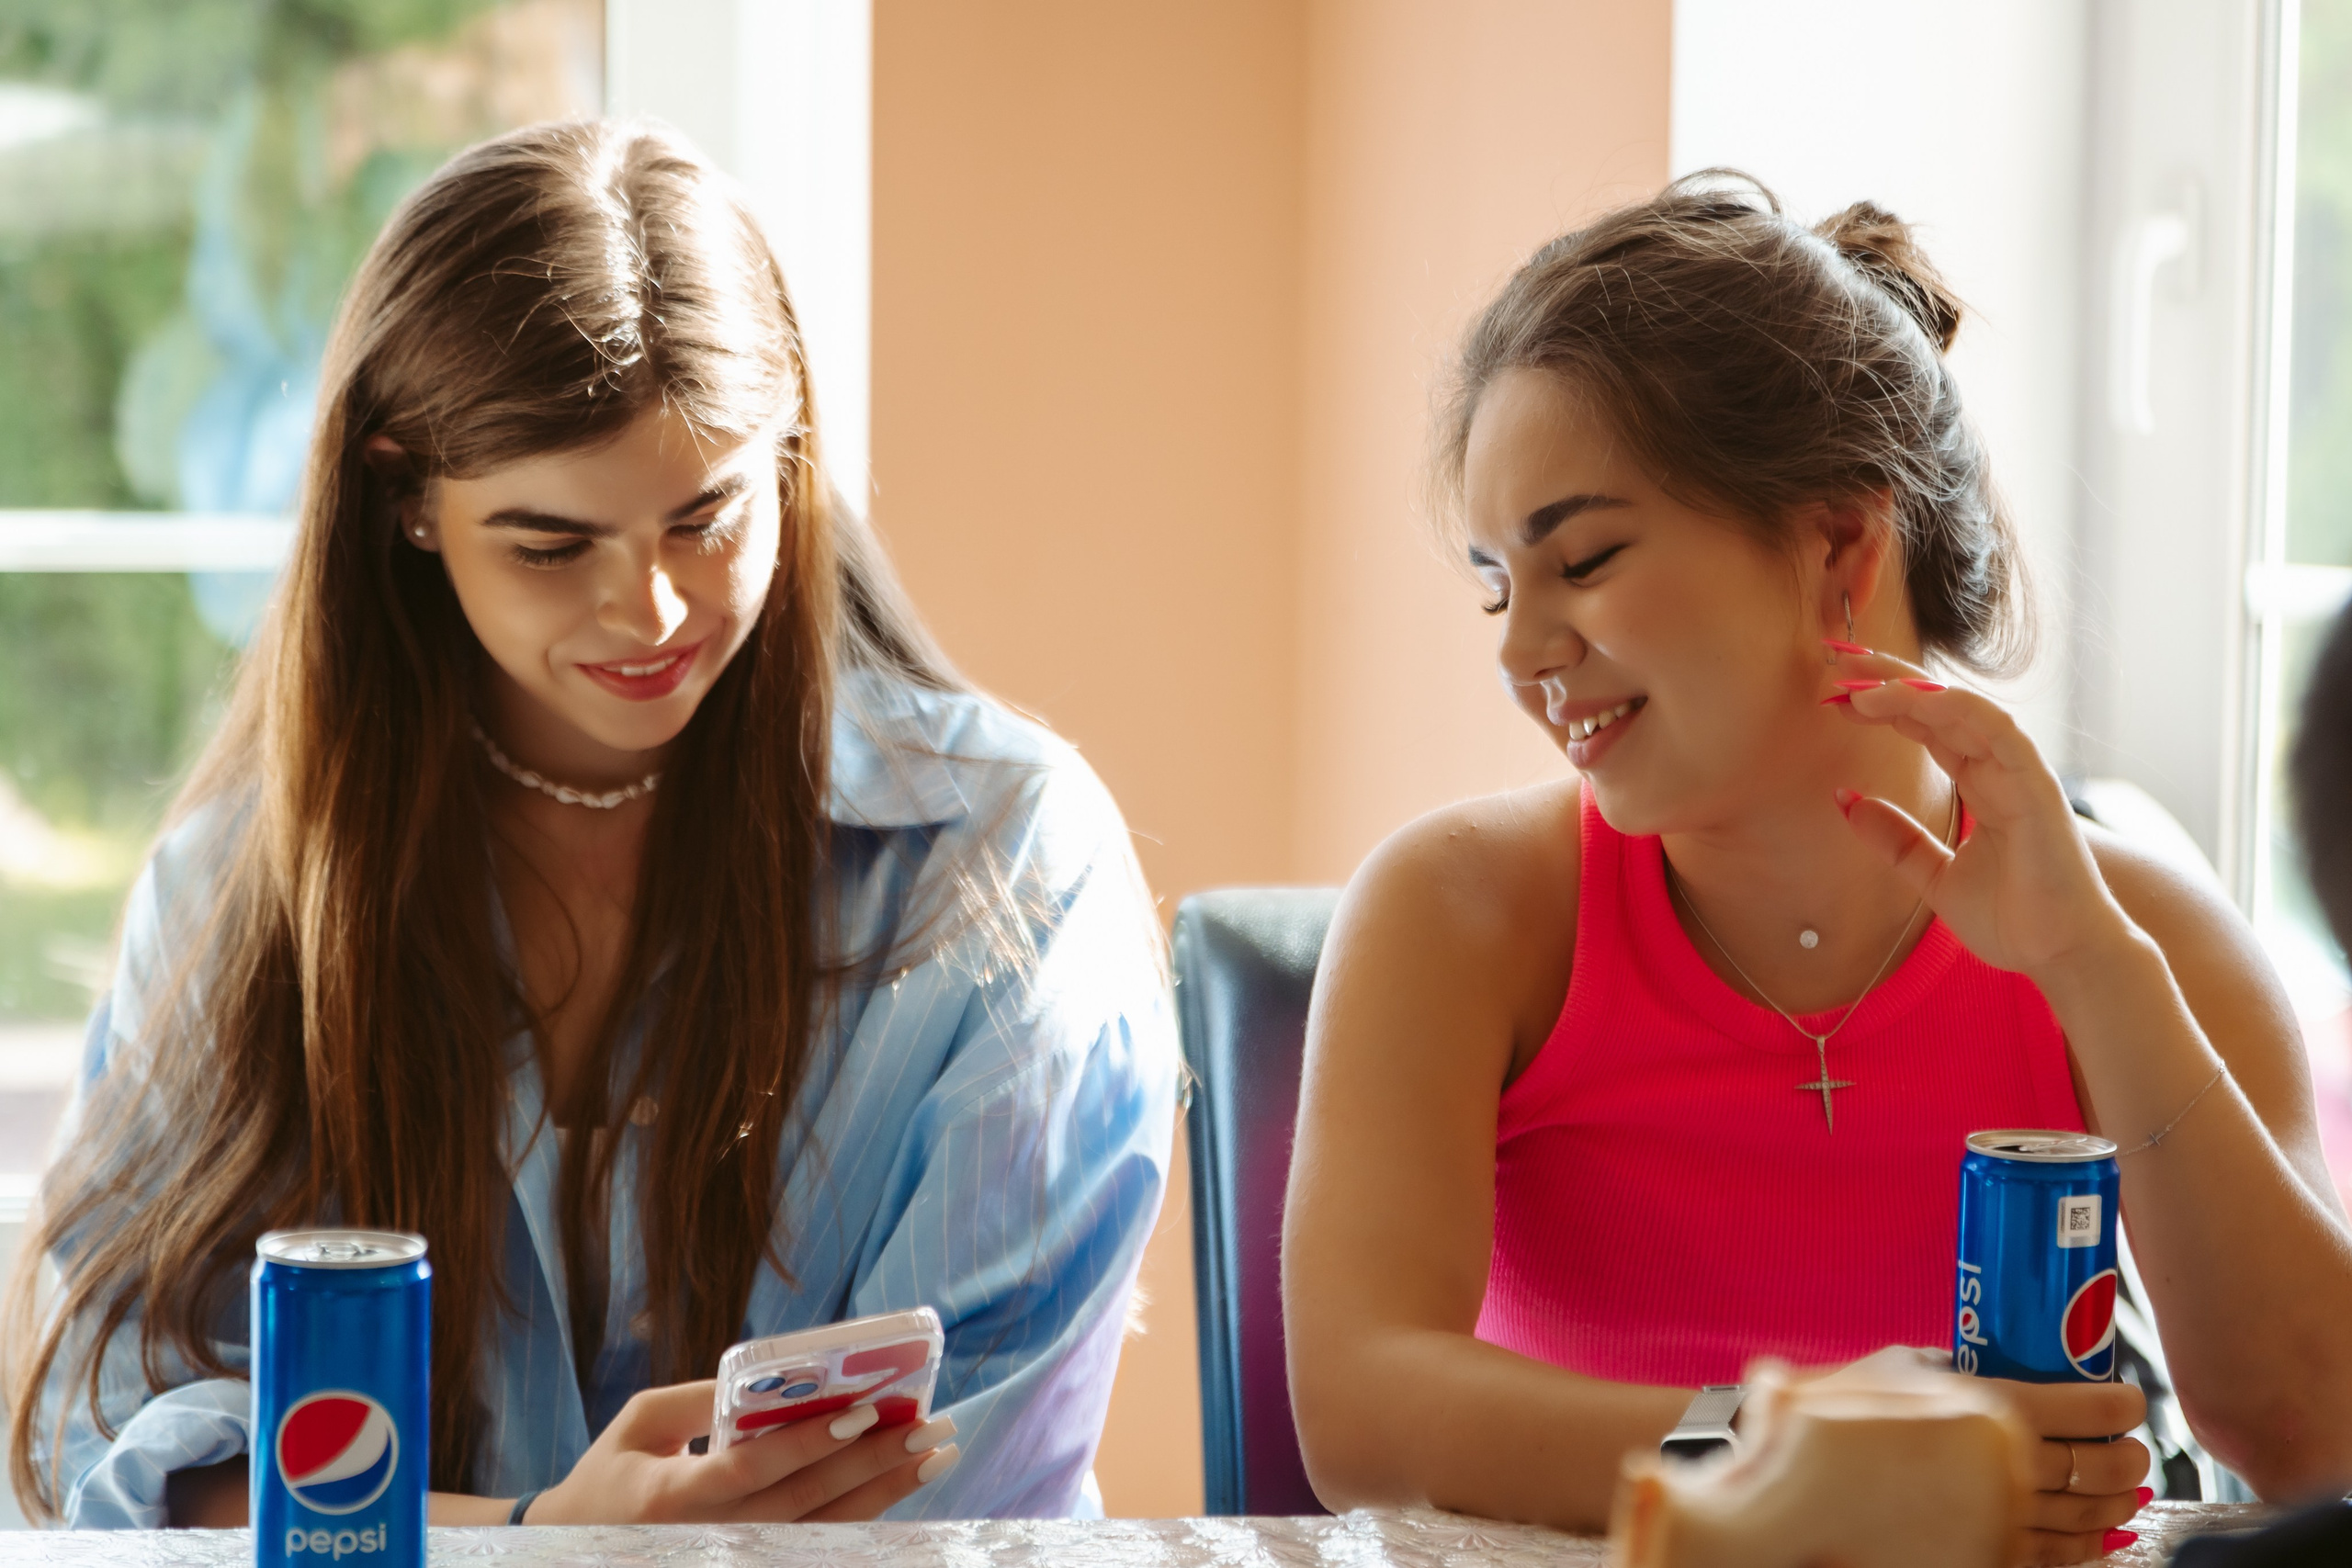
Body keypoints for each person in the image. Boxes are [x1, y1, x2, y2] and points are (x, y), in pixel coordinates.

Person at [6, 120, 1176, 1530]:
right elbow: (110, 1446)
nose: (655, 612)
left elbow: (968, 1502)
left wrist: (451, 1539)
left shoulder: (1007, 861)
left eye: (709, 516)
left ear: (790, 456)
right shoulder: (238, 888)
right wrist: (538, 1546)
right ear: (406, 502)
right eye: (552, 547)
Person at [1282, 172, 2352, 1565]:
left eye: (1585, 559)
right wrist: (1783, 1452)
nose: (1517, 647)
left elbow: (2316, 1429)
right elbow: (1359, 1409)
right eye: (1499, 584)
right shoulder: (1460, 908)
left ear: (1842, 547)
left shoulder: (2134, 925)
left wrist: (2096, 973)